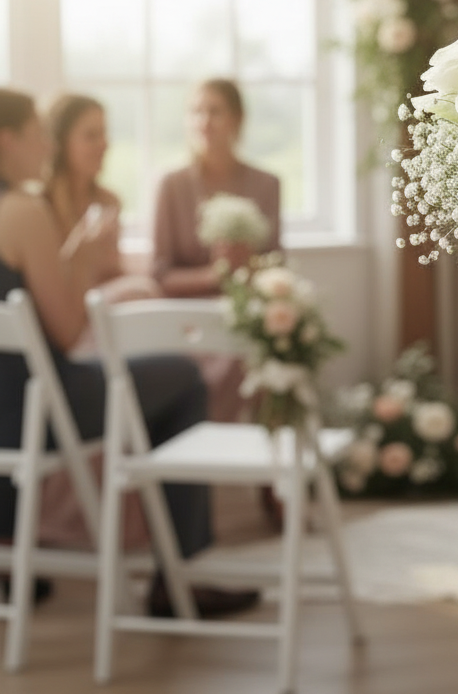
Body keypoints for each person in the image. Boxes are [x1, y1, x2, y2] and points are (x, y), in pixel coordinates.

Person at [0, 88, 258, 618]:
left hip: (8, 413)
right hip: (38, 409)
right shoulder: (21, 210)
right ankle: (177, 575)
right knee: (184, 376)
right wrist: (83, 257)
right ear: (8, 140)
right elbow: (69, 330)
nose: (44, 145)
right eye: (37, 134)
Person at [152, 78, 281, 299]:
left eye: (215, 112)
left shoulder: (267, 184)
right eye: (196, 112)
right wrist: (214, 275)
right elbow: (159, 275)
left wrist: (248, 265)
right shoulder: (171, 185)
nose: (204, 122)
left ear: (237, 119)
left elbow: (277, 264)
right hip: (185, 316)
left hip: (249, 311)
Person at [44, 93, 161, 310]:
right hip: (63, 315)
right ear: (59, 142)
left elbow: (112, 272)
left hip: (101, 311)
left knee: (146, 291)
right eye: (91, 135)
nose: (104, 144)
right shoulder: (40, 205)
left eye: (104, 133)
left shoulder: (109, 202)